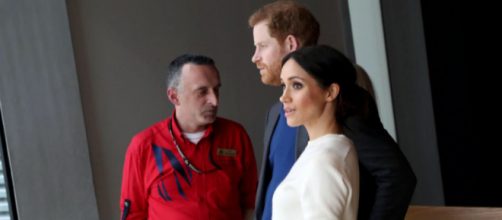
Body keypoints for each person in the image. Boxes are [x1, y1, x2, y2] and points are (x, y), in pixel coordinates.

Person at [248, 1, 417, 220]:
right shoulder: (276, 113)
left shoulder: (341, 107)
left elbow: (396, 176)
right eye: (285, 85)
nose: (255, 57)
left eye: (262, 46)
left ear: (290, 43)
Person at [119, 54, 257, 220]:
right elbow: (133, 214)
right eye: (202, 92)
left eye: (216, 90)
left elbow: (250, 202)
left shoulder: (235, 136)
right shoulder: (143, 146)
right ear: (174, 96)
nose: (214, 101)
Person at [274, 45, 360, 220]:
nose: (284, 97)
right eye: (284, 85)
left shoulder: (325, 159)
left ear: (330, 92)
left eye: (296, 85)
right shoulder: (324, 150)